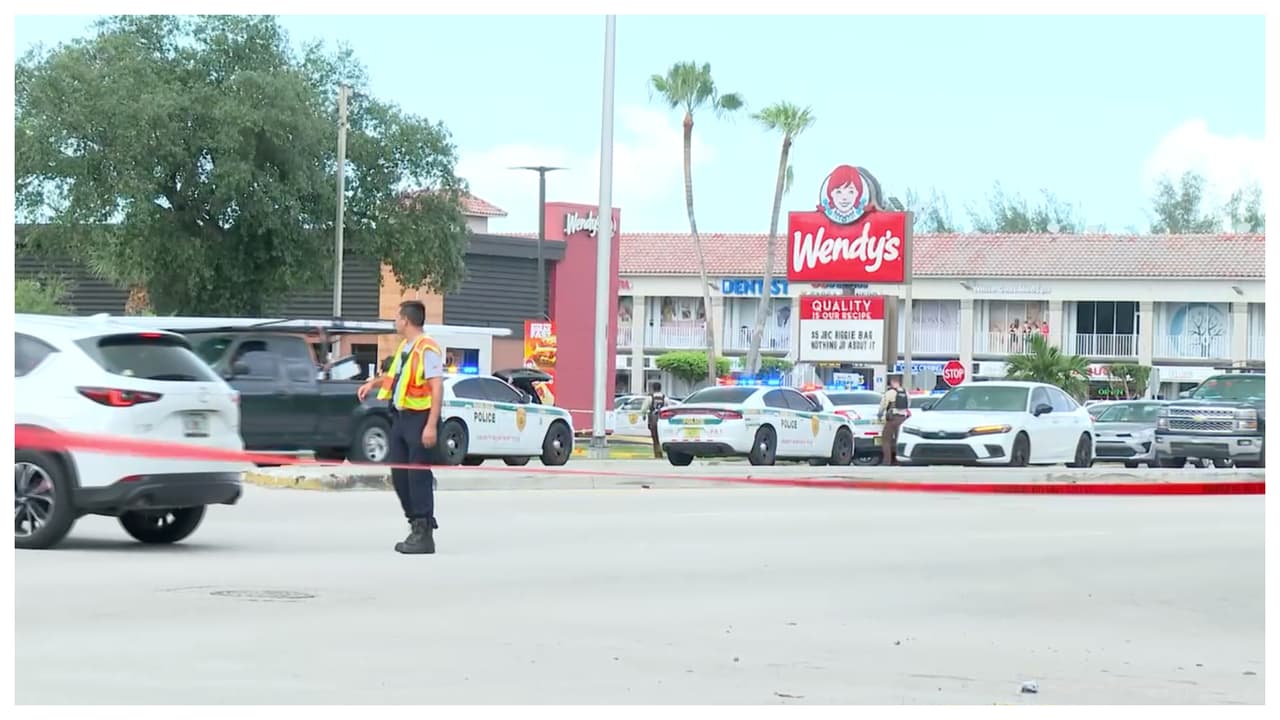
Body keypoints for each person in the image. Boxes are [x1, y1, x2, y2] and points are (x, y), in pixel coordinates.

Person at [357, 301, 444, 555]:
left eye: (397, 317)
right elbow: (395, 378)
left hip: (420, 418)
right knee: (399, 475)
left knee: (418, 476)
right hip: (401, 418)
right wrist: (373, 383)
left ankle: (424, 531)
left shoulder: (427, 348)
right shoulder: (407, 347)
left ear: (406, 320)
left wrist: (430, 425)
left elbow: (437, 387)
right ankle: (414, 524)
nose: (395, 321)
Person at [877, 374, 910, 465]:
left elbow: (883, 405)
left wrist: (879, 415)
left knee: (886, 440)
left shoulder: (889, 393)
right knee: (898, 440)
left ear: (892, 382)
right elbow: (908, 405)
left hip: (892, 419)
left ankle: (887, 461)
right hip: (903, 419)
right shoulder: (905, 392)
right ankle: (899, 461)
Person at [647, 382, 666, 459]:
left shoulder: (650, 397)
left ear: (653, 388)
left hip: (653, 419)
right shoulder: (665, 398)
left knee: (655, 438)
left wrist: (644, 414)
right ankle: (661, 452)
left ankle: (657, 454)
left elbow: (644, 408)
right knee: (661, 437)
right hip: (662, 419)